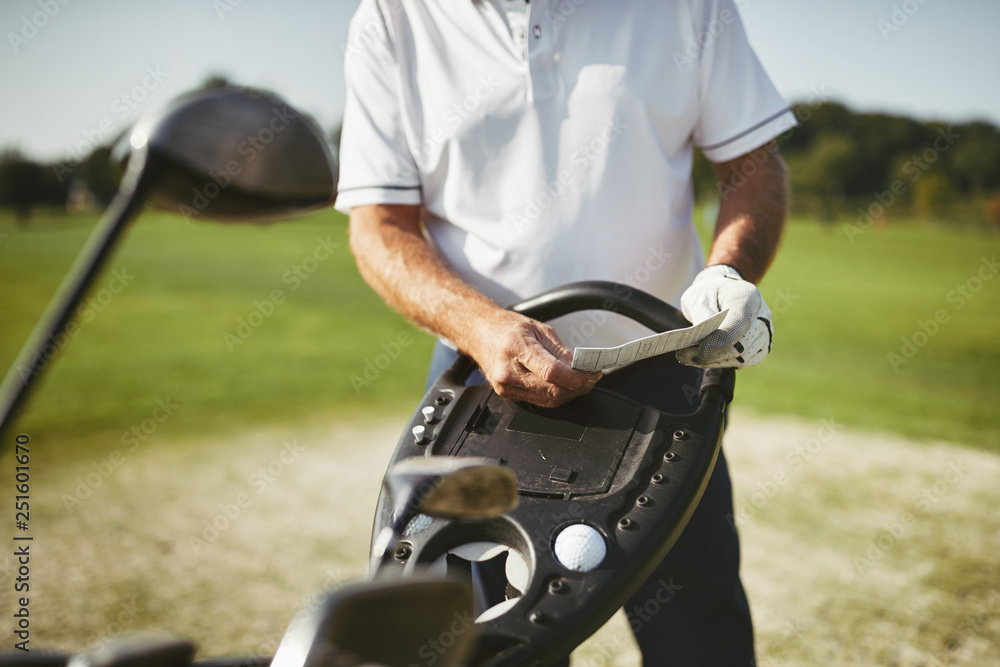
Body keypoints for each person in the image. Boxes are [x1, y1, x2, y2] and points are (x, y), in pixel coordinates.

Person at [336, 0, 793, 663]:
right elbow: (379, 225)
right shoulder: (392, 16)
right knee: (485, 645)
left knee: (700, 635)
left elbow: (754, 167)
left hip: (665, 377)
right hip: (481, 376)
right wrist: (481, 324)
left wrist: (728, 274)